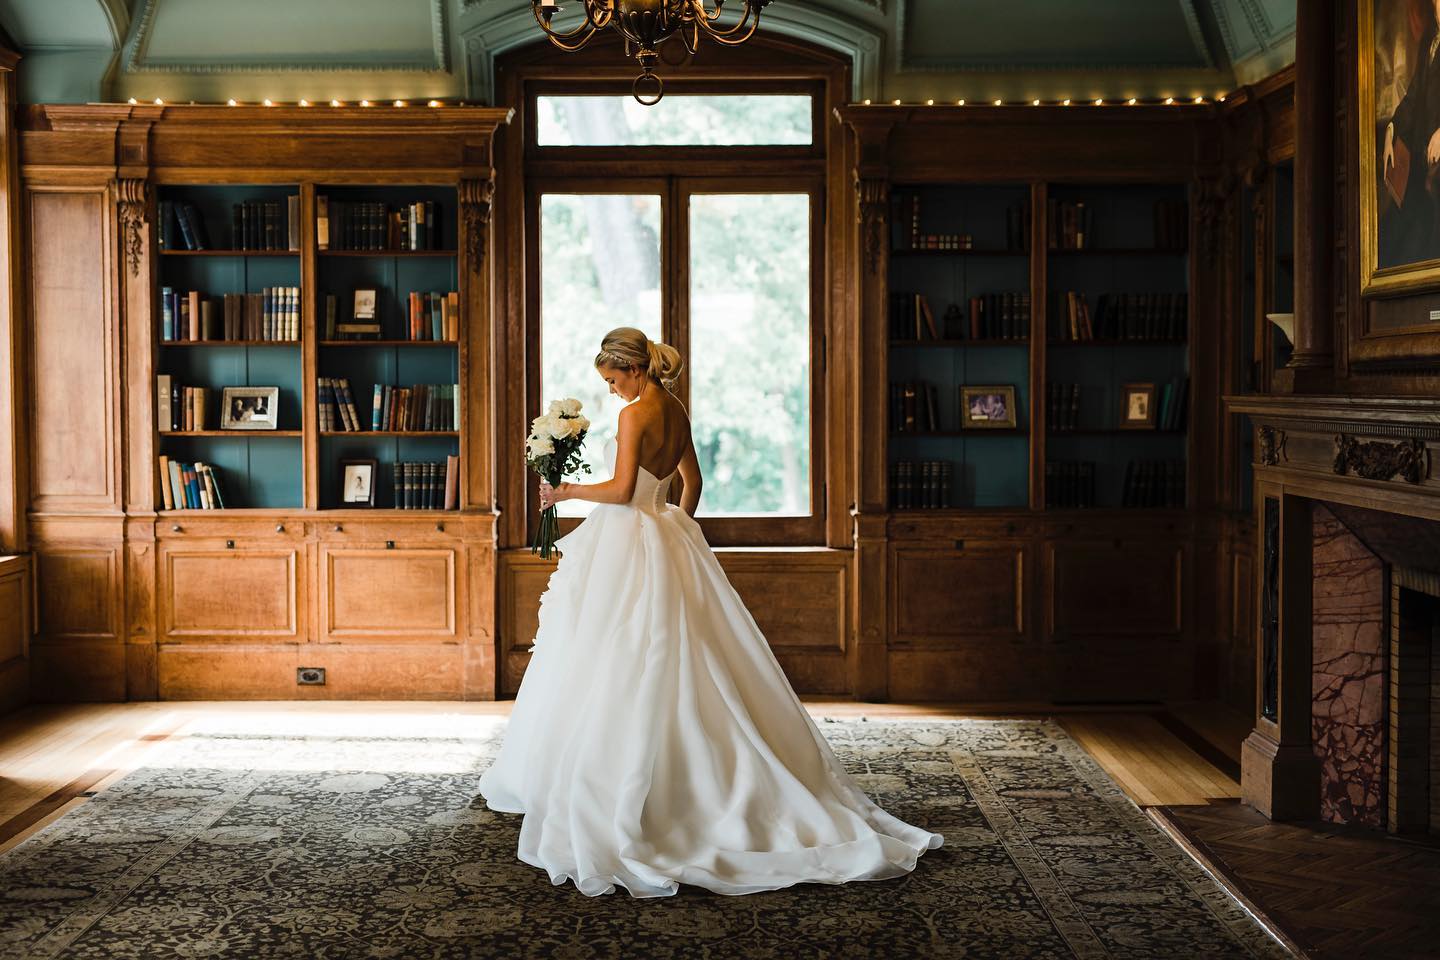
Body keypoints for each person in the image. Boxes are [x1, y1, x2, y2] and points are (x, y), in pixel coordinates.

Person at [479, 327, 942, 898]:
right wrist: (673, 528)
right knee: (679, 655)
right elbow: (691, 481)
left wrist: (565, 494)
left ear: (632, 369)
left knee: (619, 655)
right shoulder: (675, 410)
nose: (610, 391)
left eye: (612, 379)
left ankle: (636, 781)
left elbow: (624, 491)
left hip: (625, 539)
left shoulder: (634, 416)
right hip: (664, 538)